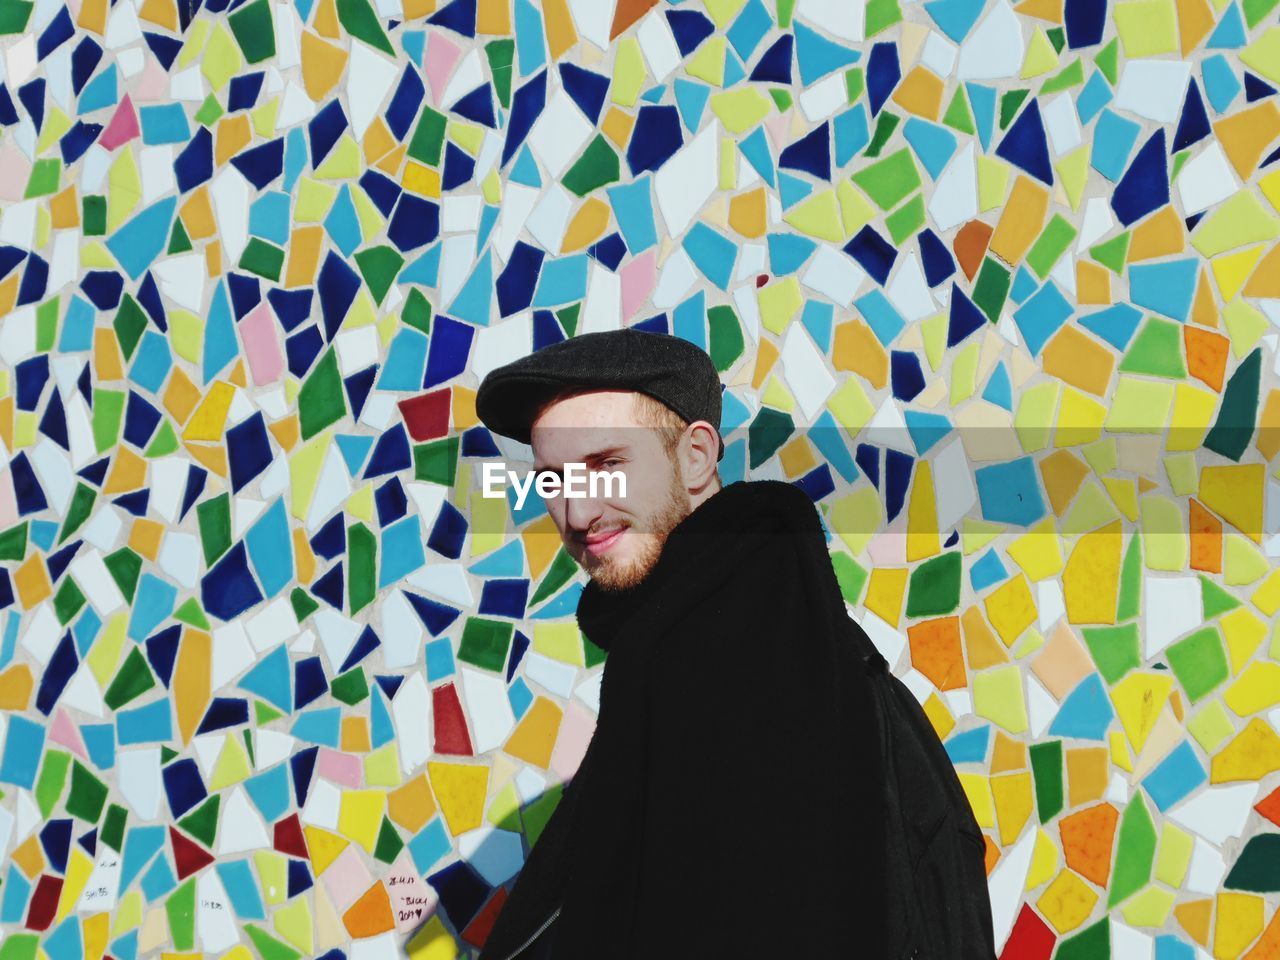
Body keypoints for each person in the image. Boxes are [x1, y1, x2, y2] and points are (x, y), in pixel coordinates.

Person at [470, 328, 993, 959]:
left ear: (695, 457)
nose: (578, 514)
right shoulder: (718, 640)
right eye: (552, 483)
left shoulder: (742, 657)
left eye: (606, 466)